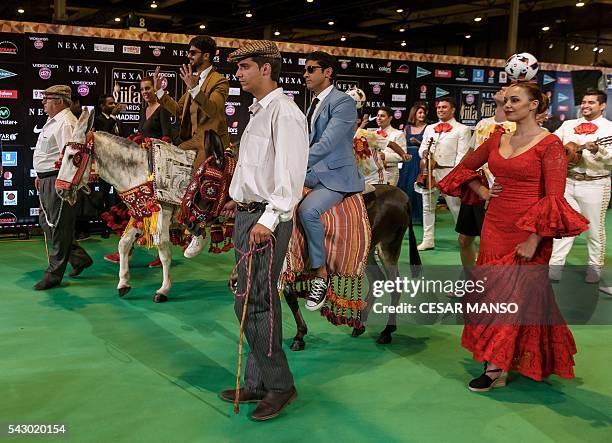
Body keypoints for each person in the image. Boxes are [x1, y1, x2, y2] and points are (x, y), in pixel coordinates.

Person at [437, 82, 589, 391]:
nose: (508, 105)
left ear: (534, 105)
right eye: (506, 100)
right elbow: (465, 168)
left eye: (515, 100)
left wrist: (534, 239)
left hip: (530, 231)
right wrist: (483, 191)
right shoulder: (496, 138)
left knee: (517, 297)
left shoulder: (550, 144)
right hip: (495, 227)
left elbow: (554, 198)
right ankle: (503, 361)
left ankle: (496, 368)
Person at [218, 40, 308, 421]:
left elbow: (290, 175)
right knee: (247, 300)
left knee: (256, 302)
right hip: (247, 214)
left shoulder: (285, 113)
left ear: (266, 69)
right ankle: (257, 380)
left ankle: (280, 385)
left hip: (263, 222)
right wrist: (235, 199)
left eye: (245, 67)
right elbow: (256, 167)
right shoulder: (260, 111)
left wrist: (268, 220)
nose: (238, 74)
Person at [153, 35, 230, 259]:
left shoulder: (219, 81)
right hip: (193, 139)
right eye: (189, 52)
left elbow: (214, 110)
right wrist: (160, 92)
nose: (189, 56)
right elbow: (178, 110)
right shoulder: (194, 81)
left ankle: (198, 230)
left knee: (196, 178)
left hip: (212, 141)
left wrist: (195, 88)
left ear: (206, 56)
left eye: (193, 53)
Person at [300, 51, 364, 311]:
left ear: (328, 73)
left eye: (311, 69)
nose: (305, 74)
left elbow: (326, 144)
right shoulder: (314, 102)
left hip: (335, 176)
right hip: (312, 171)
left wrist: (293, 164)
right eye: (305, 69)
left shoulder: (343, 103)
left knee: (308, 210)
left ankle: (320, 274)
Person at [103, 77, 174, 267]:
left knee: (156, 212)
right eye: (142, 89)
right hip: (141, 165)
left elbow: (168, 138)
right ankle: (127, 249)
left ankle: (161, 254)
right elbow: (143, 136)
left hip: (157, 167)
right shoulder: (144, 110)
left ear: (155, 88)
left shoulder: (163, 110)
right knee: (133, 207)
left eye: (148, 88)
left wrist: (152, 146)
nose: (145, 92)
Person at [33, 85, 93, 290]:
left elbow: (71, 159)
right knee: (48, 223)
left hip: (58, 180)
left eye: (47, 99)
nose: (43, 102)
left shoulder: (66, 123)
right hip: (47, 179)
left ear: (59, 101)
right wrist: (41, 175)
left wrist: (62, 183)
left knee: (59, 226)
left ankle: (54, 274)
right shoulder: (55, 121)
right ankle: (78, 258)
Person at [549, 89, 612, 283]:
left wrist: (597, 150)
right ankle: (555, 267)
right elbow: (552, 144)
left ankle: (594, 268)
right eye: (584, 102)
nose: (585, 105)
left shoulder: (609, 129)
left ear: (602, 106)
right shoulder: (568, 125)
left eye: (591, 102)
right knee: (564, 227)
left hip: (595, 183)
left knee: (594, 230)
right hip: (568, 181)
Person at [456, 88, 516, 268]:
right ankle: (468, 278)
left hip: (499, 191)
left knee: (491, 242)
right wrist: (461, 177)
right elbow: (471, 154)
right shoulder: (482, 124)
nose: (501, 89)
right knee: (464, 240)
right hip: (477, 188)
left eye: (507, 88)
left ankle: (490, 283)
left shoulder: (517, 126)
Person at [417, 97, 470, 250]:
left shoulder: (462, 129)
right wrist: (424, 153)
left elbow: (461, 156)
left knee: (455, 207)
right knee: (427, 207)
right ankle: (428, 240)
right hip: (430, 173)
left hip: (450, 172)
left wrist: (454, 176)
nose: (440, 110)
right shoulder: (429, 128)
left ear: (453, 110)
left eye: (444, 107)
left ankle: (464, 240)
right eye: (439, 107)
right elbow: (421, 149)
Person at [397, 103, 428, 223]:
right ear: (414, 114)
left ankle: (418, 216)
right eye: (420, 112)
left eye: (424, 113)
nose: (422, 115)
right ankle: (403, 214)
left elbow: (429, 146)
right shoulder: (407, 128)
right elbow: (401, 145)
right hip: (407, 159)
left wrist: (418, 142)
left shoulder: (427, 128)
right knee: (405, 185)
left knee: (417, 185)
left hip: (419, 159)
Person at [374, 106, 410, 186]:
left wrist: (384, 156)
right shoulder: (372, 134)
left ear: (390, 118)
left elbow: (402, 156)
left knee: (387, 198)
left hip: (390, 172)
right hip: (373, 173)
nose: (379, 118)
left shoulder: (398, 134)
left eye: (382, 116)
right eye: (378, 115)